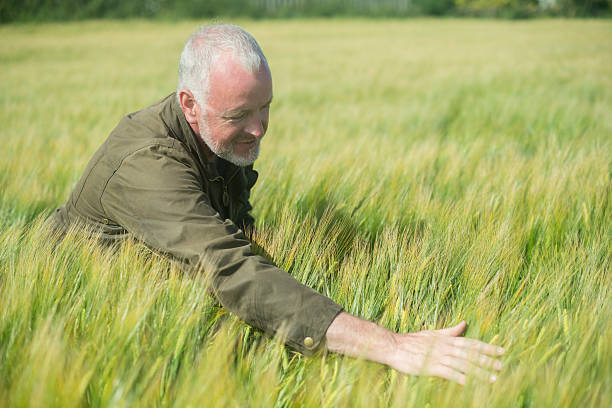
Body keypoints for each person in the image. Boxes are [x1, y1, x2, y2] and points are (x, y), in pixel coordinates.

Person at [47, 24, 504, 384]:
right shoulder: (145, 166)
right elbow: (229, 269)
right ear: (189, 104)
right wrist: (390, 345)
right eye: (240, 115)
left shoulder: (219, 138)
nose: (259, 128)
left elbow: (235, 235)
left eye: (265, 106)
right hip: (73, 321)